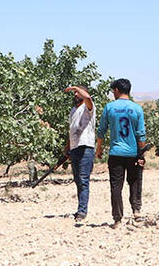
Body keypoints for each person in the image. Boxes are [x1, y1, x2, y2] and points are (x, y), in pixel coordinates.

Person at [96, 78, 147, 229]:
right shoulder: (137, 109)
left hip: (116, 153)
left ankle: (117, 219)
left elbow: (101, 131)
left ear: (117, 91)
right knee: (135, 182)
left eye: (113, 91)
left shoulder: (110, 108)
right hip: (133, 153)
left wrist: (99, 148)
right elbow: (141, 135)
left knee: (116, 186)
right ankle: (136, 211)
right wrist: (141, 155)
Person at [63, 85, 96, 222]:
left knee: (83, 180)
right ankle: (80, 209)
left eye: (78, 93)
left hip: (86, 147)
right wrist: (68, 147)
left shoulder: (88, 107)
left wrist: (76, 87)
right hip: (75, 148)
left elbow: (88, 97)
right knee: (77, 180)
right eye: (75, 93)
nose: (75, 95)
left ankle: (82, 212)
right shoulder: (73, 110)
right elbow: (72, 129)